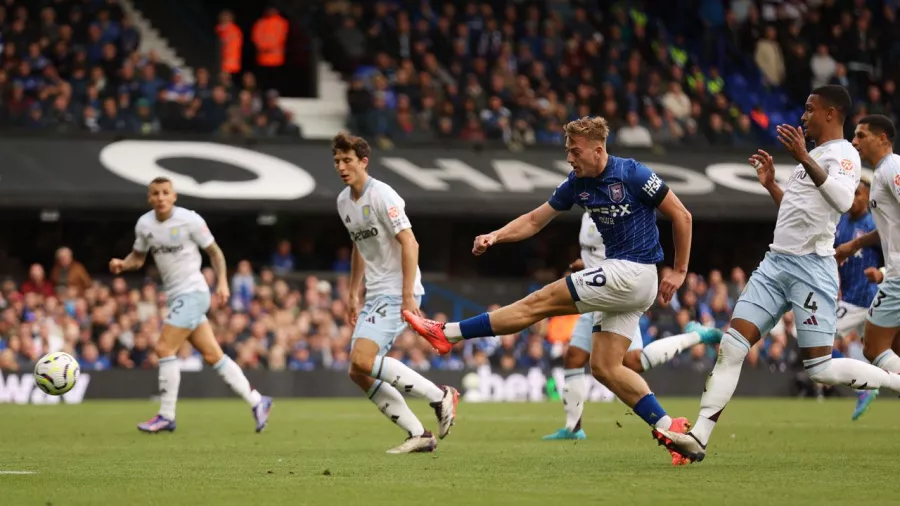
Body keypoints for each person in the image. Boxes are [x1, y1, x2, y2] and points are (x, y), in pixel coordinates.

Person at [403, 116, 695, 464]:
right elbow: (534, 220)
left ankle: (448, 334)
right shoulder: (577, 184)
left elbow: (682, 215)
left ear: (598, 150)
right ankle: (673, 430)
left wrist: (679, 271)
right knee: (604, 367)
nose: (570, 158)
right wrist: (496, 235)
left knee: (538, 302)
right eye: (567, 150)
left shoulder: (633, 173)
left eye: (575, 151)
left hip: (633, 272)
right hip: (624, 280)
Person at [656, 86, 900, 464]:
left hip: (811, 269)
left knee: (819, 368)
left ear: (831, 113)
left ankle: (895, 383)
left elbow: (838, 199)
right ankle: (698, 437)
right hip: (775, 264)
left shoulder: (844, 155)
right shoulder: (815, 156)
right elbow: (795, 211)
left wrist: (802, 156)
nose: (803, 116)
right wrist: (772, 184)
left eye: (810, 109)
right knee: (732, 346)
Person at [543, 211, 723, 453]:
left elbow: (620, 256)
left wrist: (589, 269)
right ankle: (573, 427)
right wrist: (584, 265)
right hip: (592, 294)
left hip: (613, 294)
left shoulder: (611, 212)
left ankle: (696, 335)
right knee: (574, 357)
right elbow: (597, 255)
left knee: (633, 362)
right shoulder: (588, 212)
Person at [109, 177, 273, 433]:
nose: (161, 197)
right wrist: (123, 263)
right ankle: (257, 401)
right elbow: (138, 258)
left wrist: (222, 283)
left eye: (166, 193)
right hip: (176, 296)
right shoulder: (144, 224)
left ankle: (166, 415)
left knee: (164, 347)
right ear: (149, 198)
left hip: (194, 293)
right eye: (155, 194)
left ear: (174, 196)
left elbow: (215, 252)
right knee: (213, 356)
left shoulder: (190, 220)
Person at [333, 132, 458, 454]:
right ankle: (420, 434)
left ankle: (440, 395)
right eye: (337, 161)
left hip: (395, 289)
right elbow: (359, 247)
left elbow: (410, 242)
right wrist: (352, 292)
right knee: (357, 371)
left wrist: (407, 295)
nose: (341, 167)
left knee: (362, 360)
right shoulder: (343, 202)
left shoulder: (382, 195)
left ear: (363, 161)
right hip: (374, 292)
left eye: (347, 160)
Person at [835, 115, 900, 420]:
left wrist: (887, 272)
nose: (855, 142)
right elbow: (888, 229)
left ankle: (866, 387)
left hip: (897, 276)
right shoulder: (879, 175)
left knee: (872, 348)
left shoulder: (892, 168)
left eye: (861, 136)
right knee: (892, 349)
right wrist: (855, 245)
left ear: (883, 138)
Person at [832, 178, 883, 419]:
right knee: (880, 353)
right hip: (852, 297)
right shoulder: (841, 222)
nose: (853, 199)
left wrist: (881, 274)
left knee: (813, 340)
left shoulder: (875, 223)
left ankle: (864, 386)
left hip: (863, 298)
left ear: (868, 196)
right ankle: (866, 386)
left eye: (858, 194)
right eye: (850, 194)